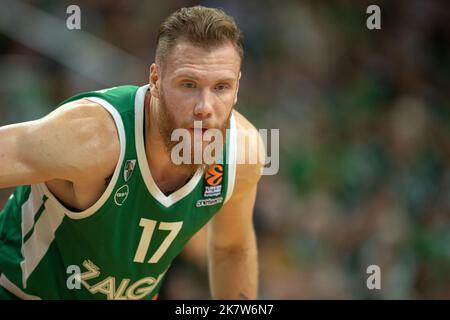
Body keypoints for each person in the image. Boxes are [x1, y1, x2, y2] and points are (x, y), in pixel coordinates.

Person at [0, 6, 264, 300]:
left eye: (221, 87)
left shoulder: (242, 152)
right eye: (188, 85)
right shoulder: (93, 137)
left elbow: (232, 249)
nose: (205, 107)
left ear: (237, 88)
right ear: (155, 80)